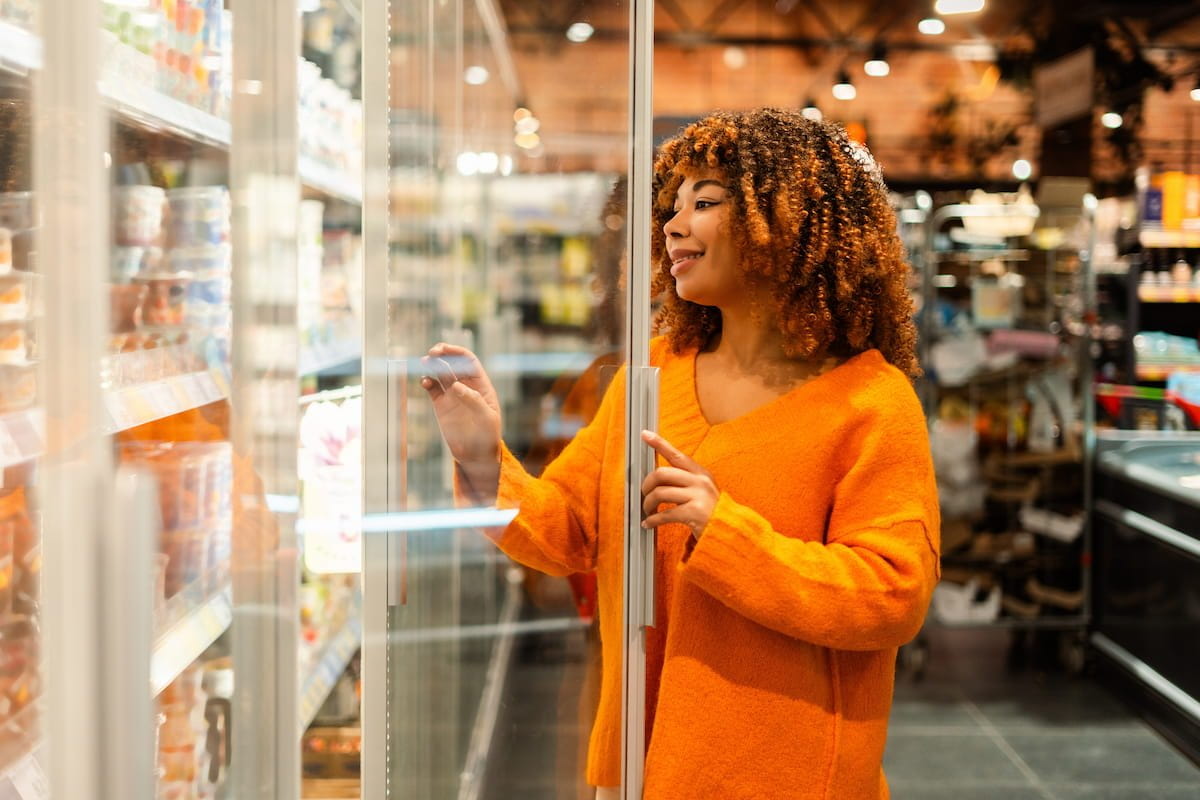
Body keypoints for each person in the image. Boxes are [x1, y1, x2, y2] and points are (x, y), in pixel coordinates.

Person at [421, 108, 941, 799]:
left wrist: (722, 531)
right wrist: (486, 461)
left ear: (785, 221)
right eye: (674, 203)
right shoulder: (653, 375)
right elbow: (572, 530)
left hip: (783, 779)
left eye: (707, 201)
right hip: (636, 768)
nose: (672, 223)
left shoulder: (871, 402)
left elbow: (893, 594)